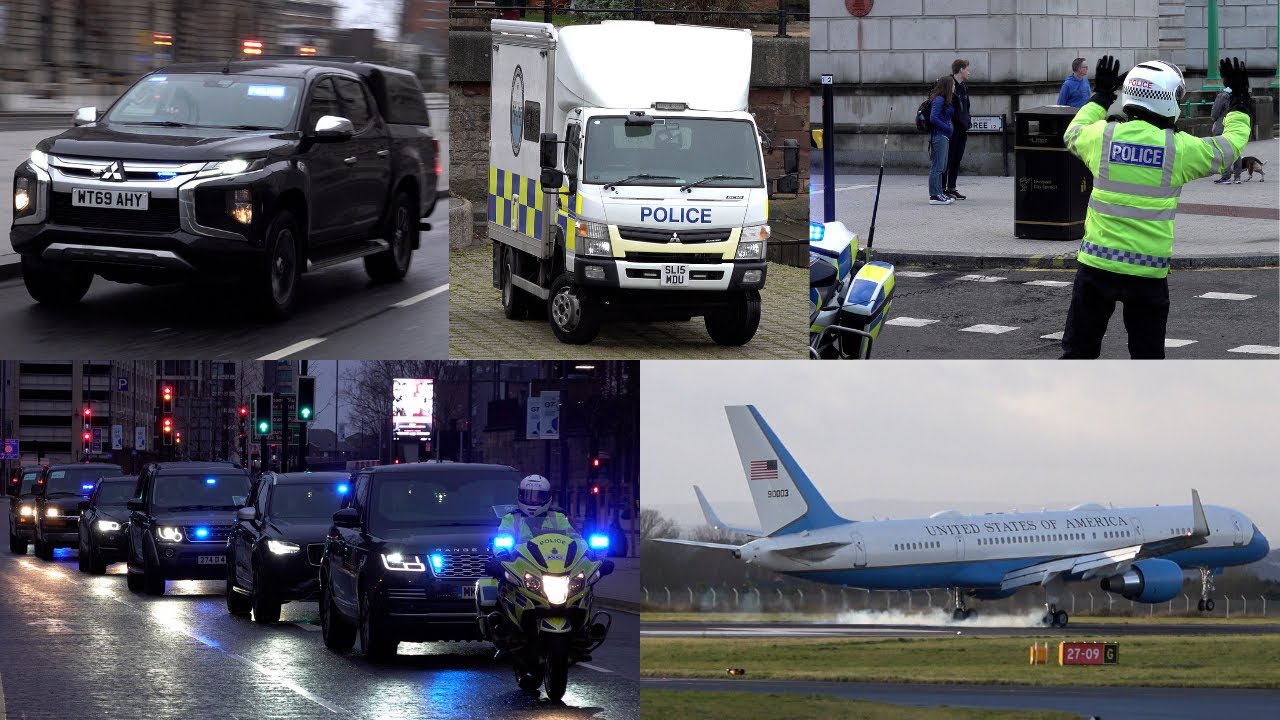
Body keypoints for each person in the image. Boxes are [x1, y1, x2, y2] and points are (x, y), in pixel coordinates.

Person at [1059, 56, 1252, 359]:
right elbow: (1230, 147)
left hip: (1096, 268)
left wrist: (1100, 96)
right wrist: (1240, 101)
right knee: (1147, 358)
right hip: (1147, 274)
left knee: (1078, 354)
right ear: (1169, 100)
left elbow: (1072, 132)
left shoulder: (1104, 137)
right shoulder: (1179, 149)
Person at [497, 474, 584, 545]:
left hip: (555, 562)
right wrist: (502, 553)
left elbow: (575, 538)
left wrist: (584, 549)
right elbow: (501, 543)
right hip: (520, 563)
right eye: (527, 496)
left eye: (538, 497)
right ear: (520, 495)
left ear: (547, 497)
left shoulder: (558, 517)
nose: (532, 500)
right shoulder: (510, 518)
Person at [942, 59, 971, 200]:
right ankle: (942, 189)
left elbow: (966, 107)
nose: (968, 72)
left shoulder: (963, 87)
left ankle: (951, 188)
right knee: (947, 159)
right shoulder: (949, 85)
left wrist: (967, 121)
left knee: (957, 159)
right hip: (951, 129)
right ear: (961, 70)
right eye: (967, 69)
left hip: (962, 130)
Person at [926, 75, 956, 205]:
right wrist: (947, 128)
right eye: (953, 85)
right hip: (939, 135)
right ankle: (934, 195)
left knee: (942, 166)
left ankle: (939, 192)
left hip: (943, 136)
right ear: (948, 87)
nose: (954, 87)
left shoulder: (944, 100)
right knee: (937, 166)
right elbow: (933, 118)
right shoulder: (938, 99)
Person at [1209, 87, 1243, 184]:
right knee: (1235, 150)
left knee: (1223, 151)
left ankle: (1226, 176)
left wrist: (1214, 120)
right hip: (1235, 126)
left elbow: (1214, 113)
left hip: (1222, 126)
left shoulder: (1223, 96)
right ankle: (1237, 177)